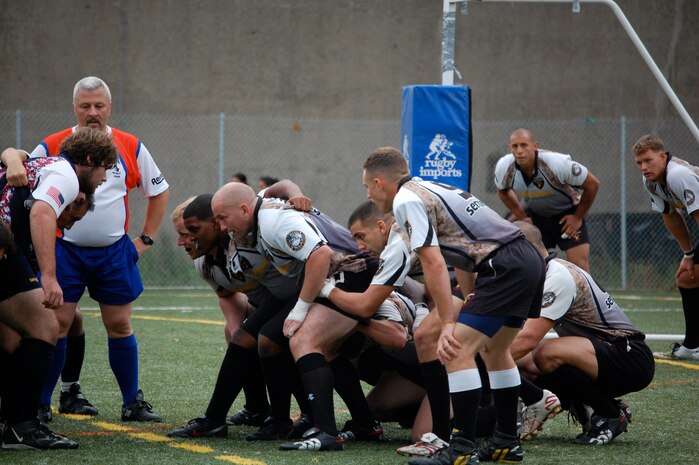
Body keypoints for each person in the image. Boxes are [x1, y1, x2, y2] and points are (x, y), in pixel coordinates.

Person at [0, 76, 170, 422]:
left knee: (120, 324)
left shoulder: (130, 145)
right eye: (85, 106)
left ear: (109, 107)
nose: (93, 112)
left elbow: (159, 190)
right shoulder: (56, 149)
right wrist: (13, 160)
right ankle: (39, 404)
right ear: (74, 108)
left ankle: (131, 402)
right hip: (65, 250)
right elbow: (27, 180)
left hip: (113, 251)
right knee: (54, 322)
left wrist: (145, 240)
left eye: (99, 106)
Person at [362, 147, 546, 465]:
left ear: (379, 183)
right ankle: (506, 441)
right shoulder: (429, 187)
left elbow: (433, 263)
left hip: (502, 266)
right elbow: (461, 251)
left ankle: (460, 449)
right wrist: (472, 298)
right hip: (524, 258)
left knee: (456, 349)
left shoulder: (405, 200)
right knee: (495, 351)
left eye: (366, 188)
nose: (368, 195)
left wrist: (448, 324)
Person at [212, 182, 380, 452]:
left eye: (223, 218)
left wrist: (301, 308)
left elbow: (321, 254)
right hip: (338, 271)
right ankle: (363, 423)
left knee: (304, 340)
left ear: (244, 209)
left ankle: (326, 431)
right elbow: (281, 186)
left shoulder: (272, 221)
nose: (221, 226)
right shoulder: (259, 209)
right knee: (271, 339)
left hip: (351, 268)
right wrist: (294, 193)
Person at [0, 128, 116, 450]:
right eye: (106, 168)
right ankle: (22, 426)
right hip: (3, 247)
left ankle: (12, 419)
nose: (105, 178)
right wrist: (49, 277)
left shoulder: (44, 166)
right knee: (46, 324)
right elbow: (41, 212)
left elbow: (15, 159)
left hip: (6, 246)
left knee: (10, 336)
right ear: (91, 160)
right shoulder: (66, 174)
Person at [506, 221, 654, 445]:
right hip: (600, 352)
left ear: (524, 250)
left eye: (507, 252)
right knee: (527, 363)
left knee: (545, 353)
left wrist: (486, 364)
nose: (504, 260)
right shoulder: (540, 274)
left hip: (629, 355)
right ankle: (590, 403)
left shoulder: (558, 277)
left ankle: (609, 413)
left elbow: (527, 339)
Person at [494, 128, 600, 272]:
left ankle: (588, 294)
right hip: (535, 216)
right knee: (526, 263)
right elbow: (502, 192)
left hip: (567, 215)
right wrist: (521, 217)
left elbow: (593, 185)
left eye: (524, 145)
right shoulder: (504, 167)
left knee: (580, 267)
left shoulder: (557, 164)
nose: (519, 150)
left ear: (535, 146)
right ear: (510, 148)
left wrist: (577, 217)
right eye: (515, 146)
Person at [632, 135, 699, 361]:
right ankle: (692, 345)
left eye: (648, 160)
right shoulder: (650, 181)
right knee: (687, 278)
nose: (643, 167)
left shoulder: (679, 176)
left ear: (663, 157)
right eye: (639, 162)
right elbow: (670, 215)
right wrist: (688, 254)